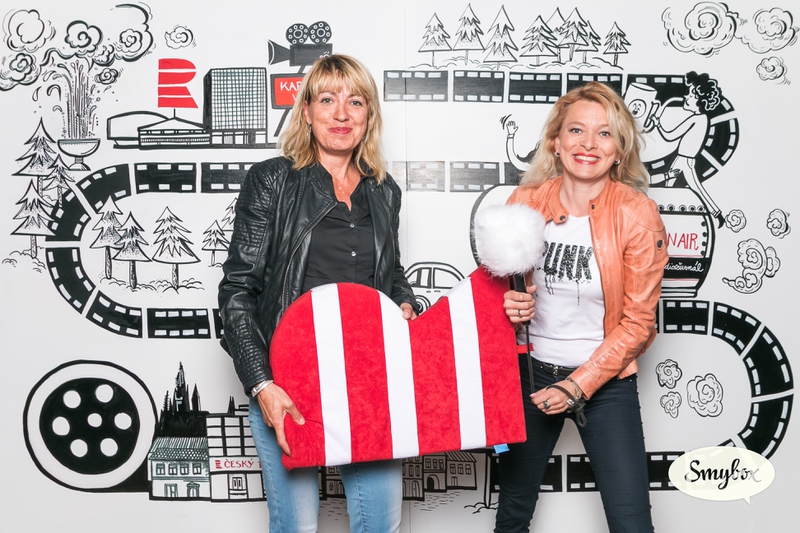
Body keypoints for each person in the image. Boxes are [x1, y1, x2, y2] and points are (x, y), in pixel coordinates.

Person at [218, 54, 418, 533]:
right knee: (296, 528)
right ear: (306, 111)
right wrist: (262, 384)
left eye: (356, 102)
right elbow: (238, 290)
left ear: (369, 114)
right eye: (327, 100)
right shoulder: (274, 180)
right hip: (289, 382)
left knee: (380, 526)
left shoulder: (384, 190)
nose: (341, 114)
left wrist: (406, 302)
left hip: (368, 382)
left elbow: (390, 274)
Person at [495, 82, 669, 533]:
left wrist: (577, 386)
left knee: (631, 523)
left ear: (619, 150)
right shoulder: (523, 203)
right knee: (512, 517)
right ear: (556, 141)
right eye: (576, 130)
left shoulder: (637, 214)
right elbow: (497, 292)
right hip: (530, 374)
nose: (588, 144)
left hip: (605, 380)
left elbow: (639, 324)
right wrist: (507, 304)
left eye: (604, 133)